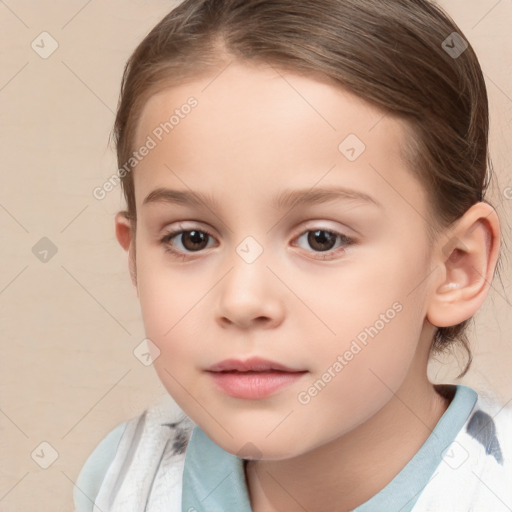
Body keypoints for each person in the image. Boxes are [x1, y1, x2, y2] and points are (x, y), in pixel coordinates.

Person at [74, 0, 510, 510]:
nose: (242, 300)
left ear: (457, 265)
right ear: (135, 261)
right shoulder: (125, 479)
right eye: (191, 238)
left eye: (321, 239)